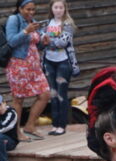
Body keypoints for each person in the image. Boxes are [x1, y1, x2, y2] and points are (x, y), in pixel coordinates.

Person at [5, 0, 51, 141]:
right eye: (28, 9)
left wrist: (44, 43)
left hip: (34, 67)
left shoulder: (33, 21)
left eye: (33, 9)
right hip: (18, 66)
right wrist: (26, 31)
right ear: (20, 8)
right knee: (19, 100)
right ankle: (16, 132)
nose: (31, 12)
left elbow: (35, 45)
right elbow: (11, 41)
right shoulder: (14, 20)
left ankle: (30, 125)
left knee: (45, 94)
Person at [42, 0, 78, 136]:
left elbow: (63, 42)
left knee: (61, 93)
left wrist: (47, 41)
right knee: (53, 93)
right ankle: (54, 124)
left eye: (61, 7)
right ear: (51, 8)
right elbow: (40, 40)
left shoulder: (67, 24)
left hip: (63, 62)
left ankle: (62, 125)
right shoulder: (47, 23)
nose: (58, 10)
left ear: (64, 9)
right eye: (55, 7)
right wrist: (44, 41)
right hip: (49, 61)